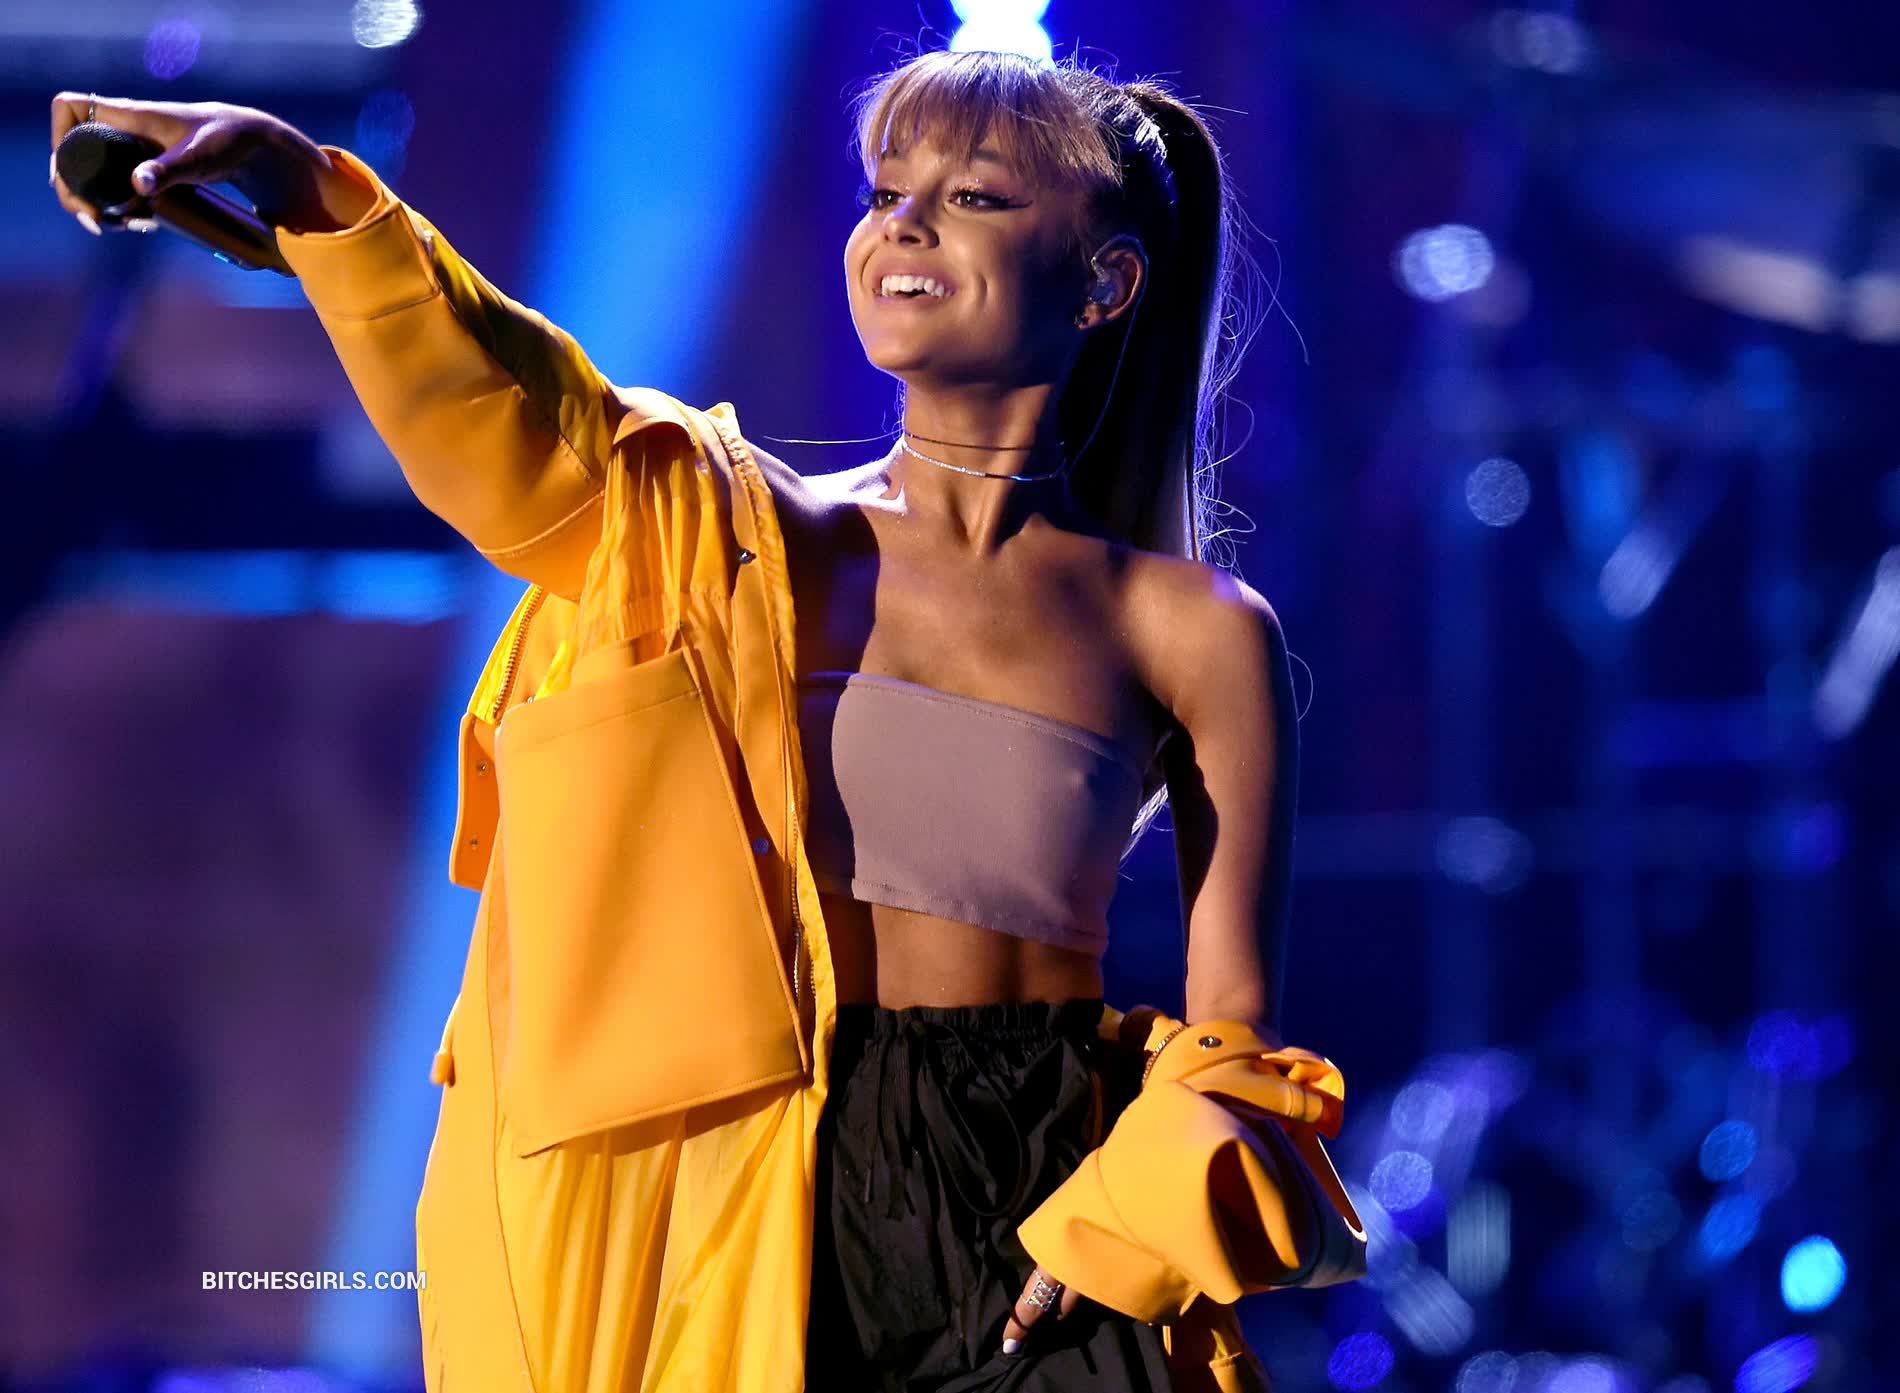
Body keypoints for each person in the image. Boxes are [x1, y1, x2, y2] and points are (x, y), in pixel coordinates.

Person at [50, 48, 1306, 1393]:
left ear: (1107, 281)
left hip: (1053, 1216)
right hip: (756, 1192)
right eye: (886, 192)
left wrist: (1122, 1229)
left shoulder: (1195, 629)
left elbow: (1233, 1022)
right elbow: (515, 410)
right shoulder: (725, 530)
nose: (904, 226)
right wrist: (312, 193)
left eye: (975, 197)